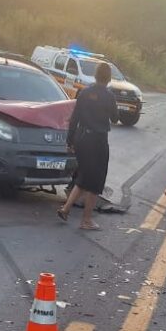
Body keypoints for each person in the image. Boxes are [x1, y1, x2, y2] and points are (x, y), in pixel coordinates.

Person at [57, 62, 119, 230]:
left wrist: (69, 141)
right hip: (98, 140)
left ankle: (65, 209)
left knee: (84, 176)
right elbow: (115, 118)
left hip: (81, 138)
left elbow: (74, 118)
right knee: (96, 181)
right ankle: (86, 220)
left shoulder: (83, 92)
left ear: (95, 75)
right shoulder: (109, 96)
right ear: (109, 78)